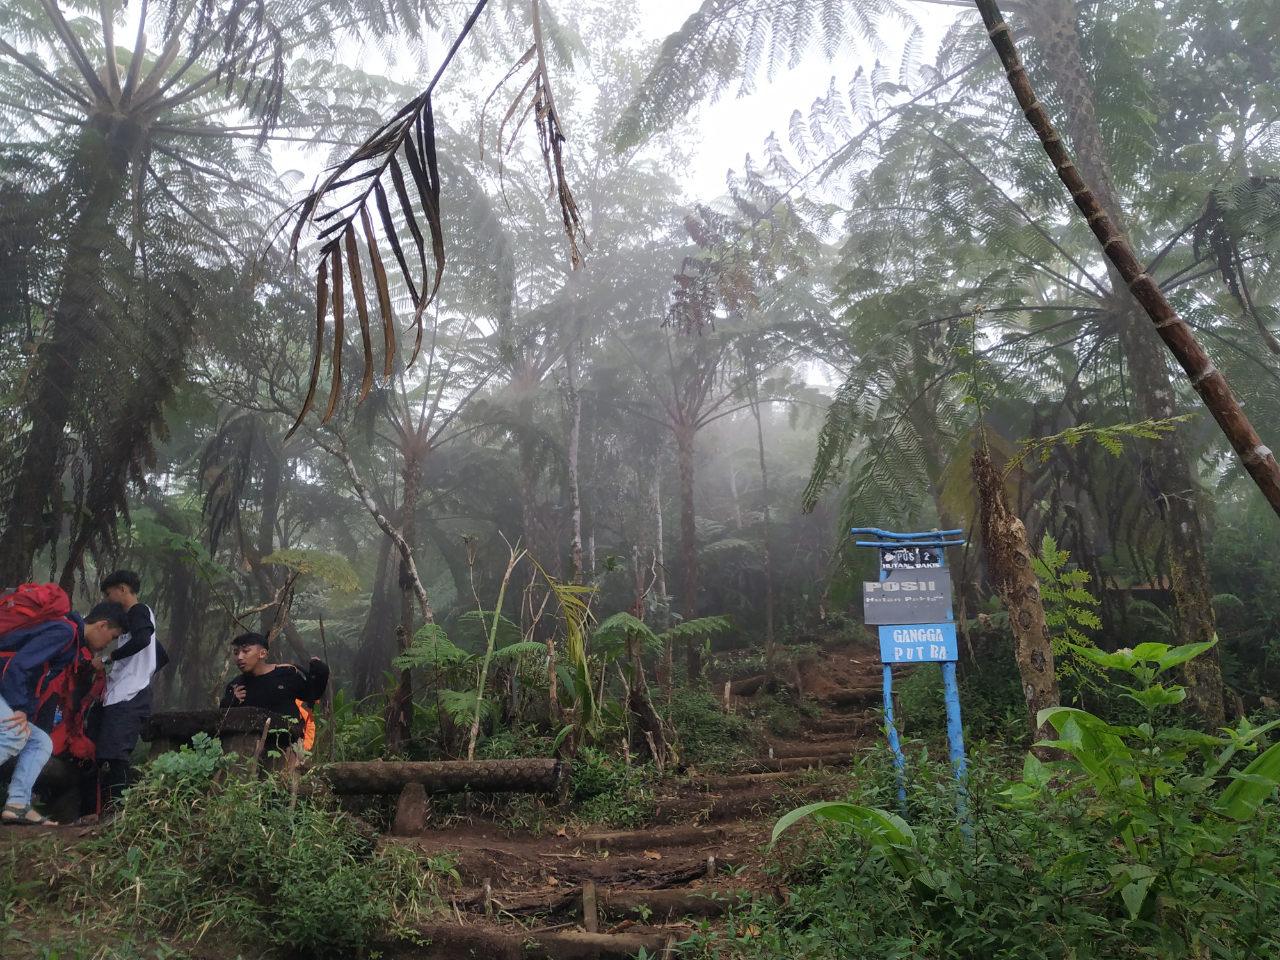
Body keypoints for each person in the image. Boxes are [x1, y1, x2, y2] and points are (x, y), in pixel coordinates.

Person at [0, 601, 127, 825]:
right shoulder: (65, 632)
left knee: (41, 743)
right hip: (4, 684)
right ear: (102, 625)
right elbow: (18, 666)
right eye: (112, 636)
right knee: (14, 734)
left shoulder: (73, 641)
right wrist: (20, 708)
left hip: (5, 688)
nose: (109, 643)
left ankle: (18, 804)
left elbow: (36, 677)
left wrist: (25, 711)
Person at [95, 570, 169, 807]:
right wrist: (142, 669)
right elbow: (161, 655)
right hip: (122, 693)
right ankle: (107, 808)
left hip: (131, 695)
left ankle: (119, 811)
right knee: (108, 752)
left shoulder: (138, 611)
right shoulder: (133, 621)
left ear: (123, 589)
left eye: (110, 594)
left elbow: (144, 640)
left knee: (117, 755)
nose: (109, 599)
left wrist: (109, 659)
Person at [220, 633, 329, 746]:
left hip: (287, 745)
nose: (239, 657)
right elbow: (223, 720)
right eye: (236, 653)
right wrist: (229, 701)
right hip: (247, 748)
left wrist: (322, 673)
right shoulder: (236, 686)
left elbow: (312, 695)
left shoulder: (286, 675)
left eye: (246, 651)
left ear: (262, 653)